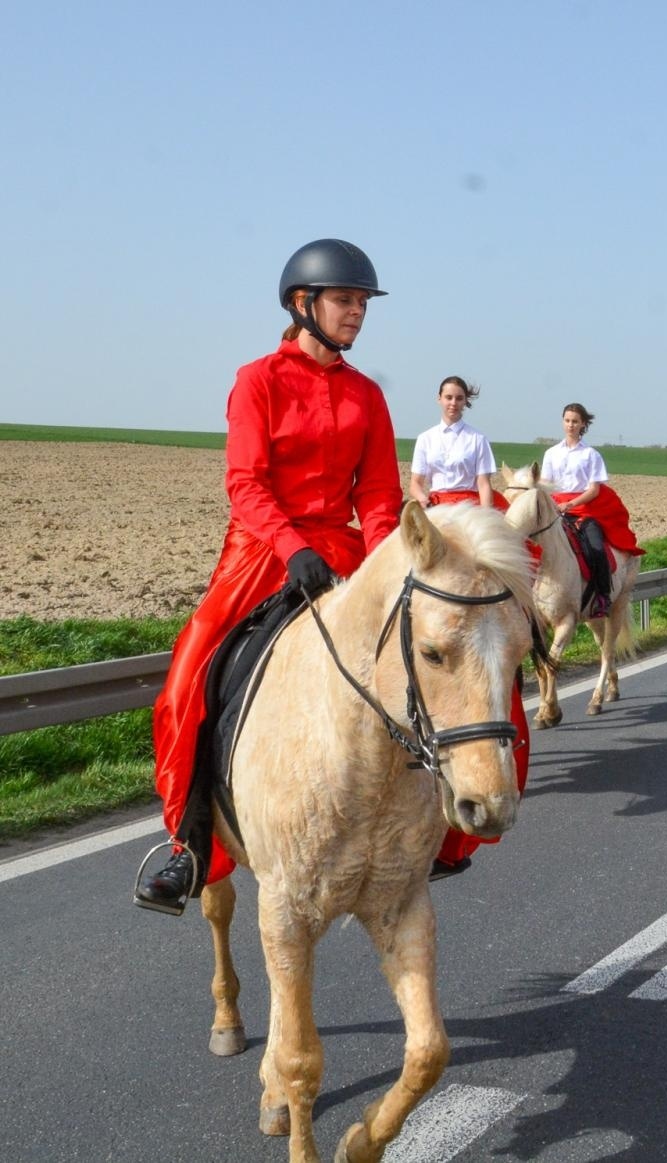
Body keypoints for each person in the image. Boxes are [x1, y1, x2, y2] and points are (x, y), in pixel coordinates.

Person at [136, 239, 406, 914]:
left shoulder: (368, 394)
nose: (357, 312)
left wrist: (384, 566)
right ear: (302, 303)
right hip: (263, 549)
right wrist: (291, 548)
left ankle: (431, 826)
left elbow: (378, 494)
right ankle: (190, 844)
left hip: (344, 550)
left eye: (363, 302)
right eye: (344, 300)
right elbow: (245, 483)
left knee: (425, 651)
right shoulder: (257, 380)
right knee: (188, 678)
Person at [540, 403, 644, 618]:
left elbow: (594, 490)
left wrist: (571, 504)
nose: (570, 425)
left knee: (596, 548)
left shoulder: (591, 455)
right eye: (567, 420)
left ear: (583, 425)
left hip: (584, 509)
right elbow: (545, 485)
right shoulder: (551, 453)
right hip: (555, 510)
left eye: (575, 421)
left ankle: (603, 596)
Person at [410, 376, 501, 509]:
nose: (453, 403)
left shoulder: (478, 439)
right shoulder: (424, 438)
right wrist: (423, 499)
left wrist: (486, 515)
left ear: (465, 401)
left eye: (459, 398)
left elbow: (483, 484)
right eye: (448, 397)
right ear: (439, 399)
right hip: (435, 507)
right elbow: (415, 483)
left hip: (468, 508)